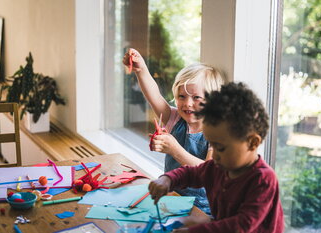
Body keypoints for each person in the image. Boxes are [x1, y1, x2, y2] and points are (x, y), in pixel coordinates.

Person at [148, 82, 285, 233]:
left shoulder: (263, 180)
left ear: (252, 143)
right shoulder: (218, 166)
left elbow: (241, 226)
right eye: (211, 144)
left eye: (220, 148)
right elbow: (191, 173)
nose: (215, 156)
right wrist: (167, 179)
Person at [122, 48, 225, 214]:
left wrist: (175, 150)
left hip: (203, 210)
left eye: (196, 97)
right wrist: (141, 69)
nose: (187, 104)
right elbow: (154, 95)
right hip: (171, 198)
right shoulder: (176, 119)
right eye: (181, 97)